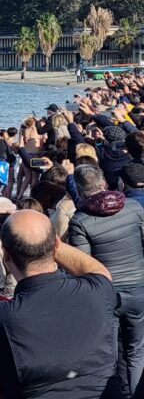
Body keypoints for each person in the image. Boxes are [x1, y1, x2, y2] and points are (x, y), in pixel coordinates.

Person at [0, 210, 117, 399]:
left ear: (6, 257)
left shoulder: (3, 317)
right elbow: (98, 270)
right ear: (57, 245)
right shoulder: (98, 292)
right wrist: (43, 237)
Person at [68, 164, 144, 397]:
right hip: (139, 288)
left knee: (107, 354)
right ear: (103, 182)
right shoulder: (133, 207)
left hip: (107, 294)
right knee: (136, 350)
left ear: (79, 192)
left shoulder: (80, 219)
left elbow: (82, 265)